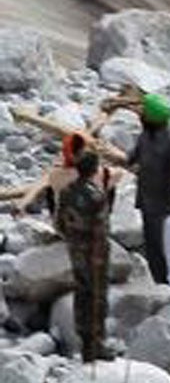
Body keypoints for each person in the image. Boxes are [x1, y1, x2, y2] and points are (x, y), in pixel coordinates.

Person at [56, 150, 113, 361]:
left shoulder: (67, 191)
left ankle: (84, 340)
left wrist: (73, 239)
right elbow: (101, 230)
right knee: (97, 297)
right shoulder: (96, 195)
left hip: (75, 250)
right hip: (94, 253)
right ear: (94, 169)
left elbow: (60, 223)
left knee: (81, 293)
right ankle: (96, 345)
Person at [134, 94, 170, 286]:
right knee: (151, 245)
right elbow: (134, 156)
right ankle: (158, 281)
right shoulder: (145, 134)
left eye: (144, 112)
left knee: (165, 246)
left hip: (164, 204)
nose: (141, 115)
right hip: (146, 200)